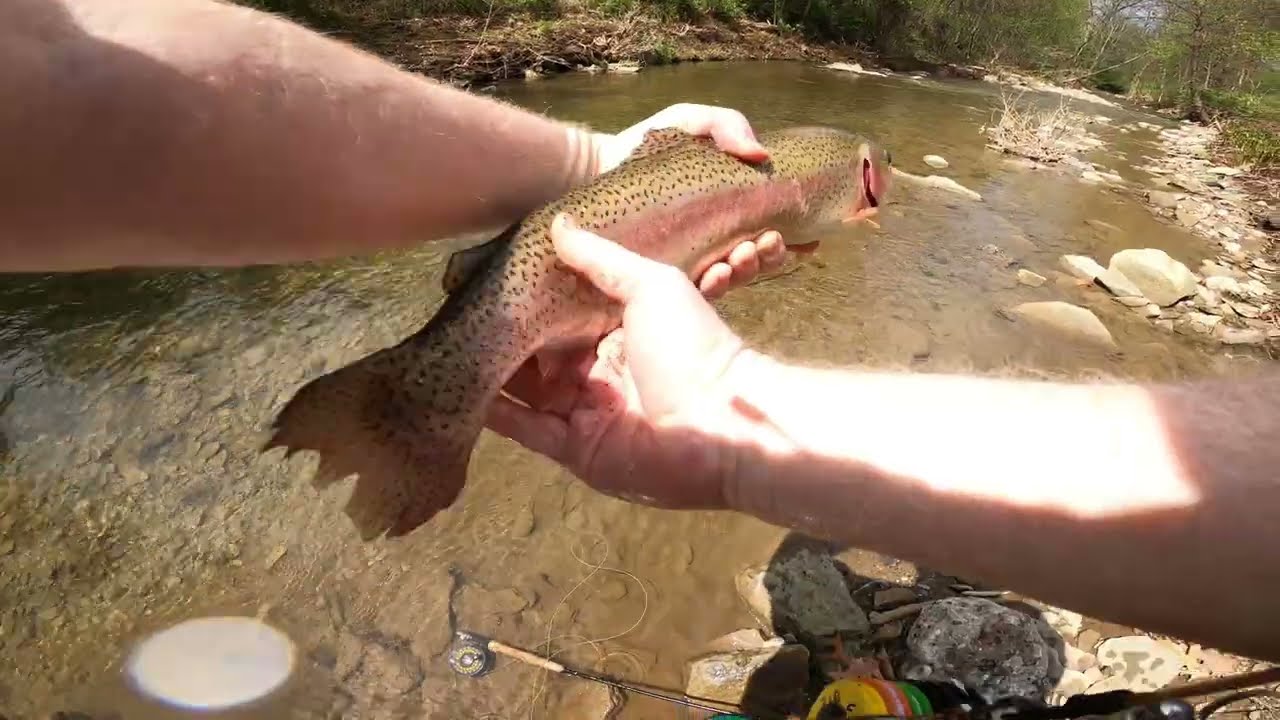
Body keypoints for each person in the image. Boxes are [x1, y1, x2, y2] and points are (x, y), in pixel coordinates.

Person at [6, 0, 1279, 666]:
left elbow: (81, 88)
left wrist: (594, 170)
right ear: (869, 182)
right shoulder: (844, 171)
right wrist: (602, 180)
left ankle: (434, 387)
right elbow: (70, 87)